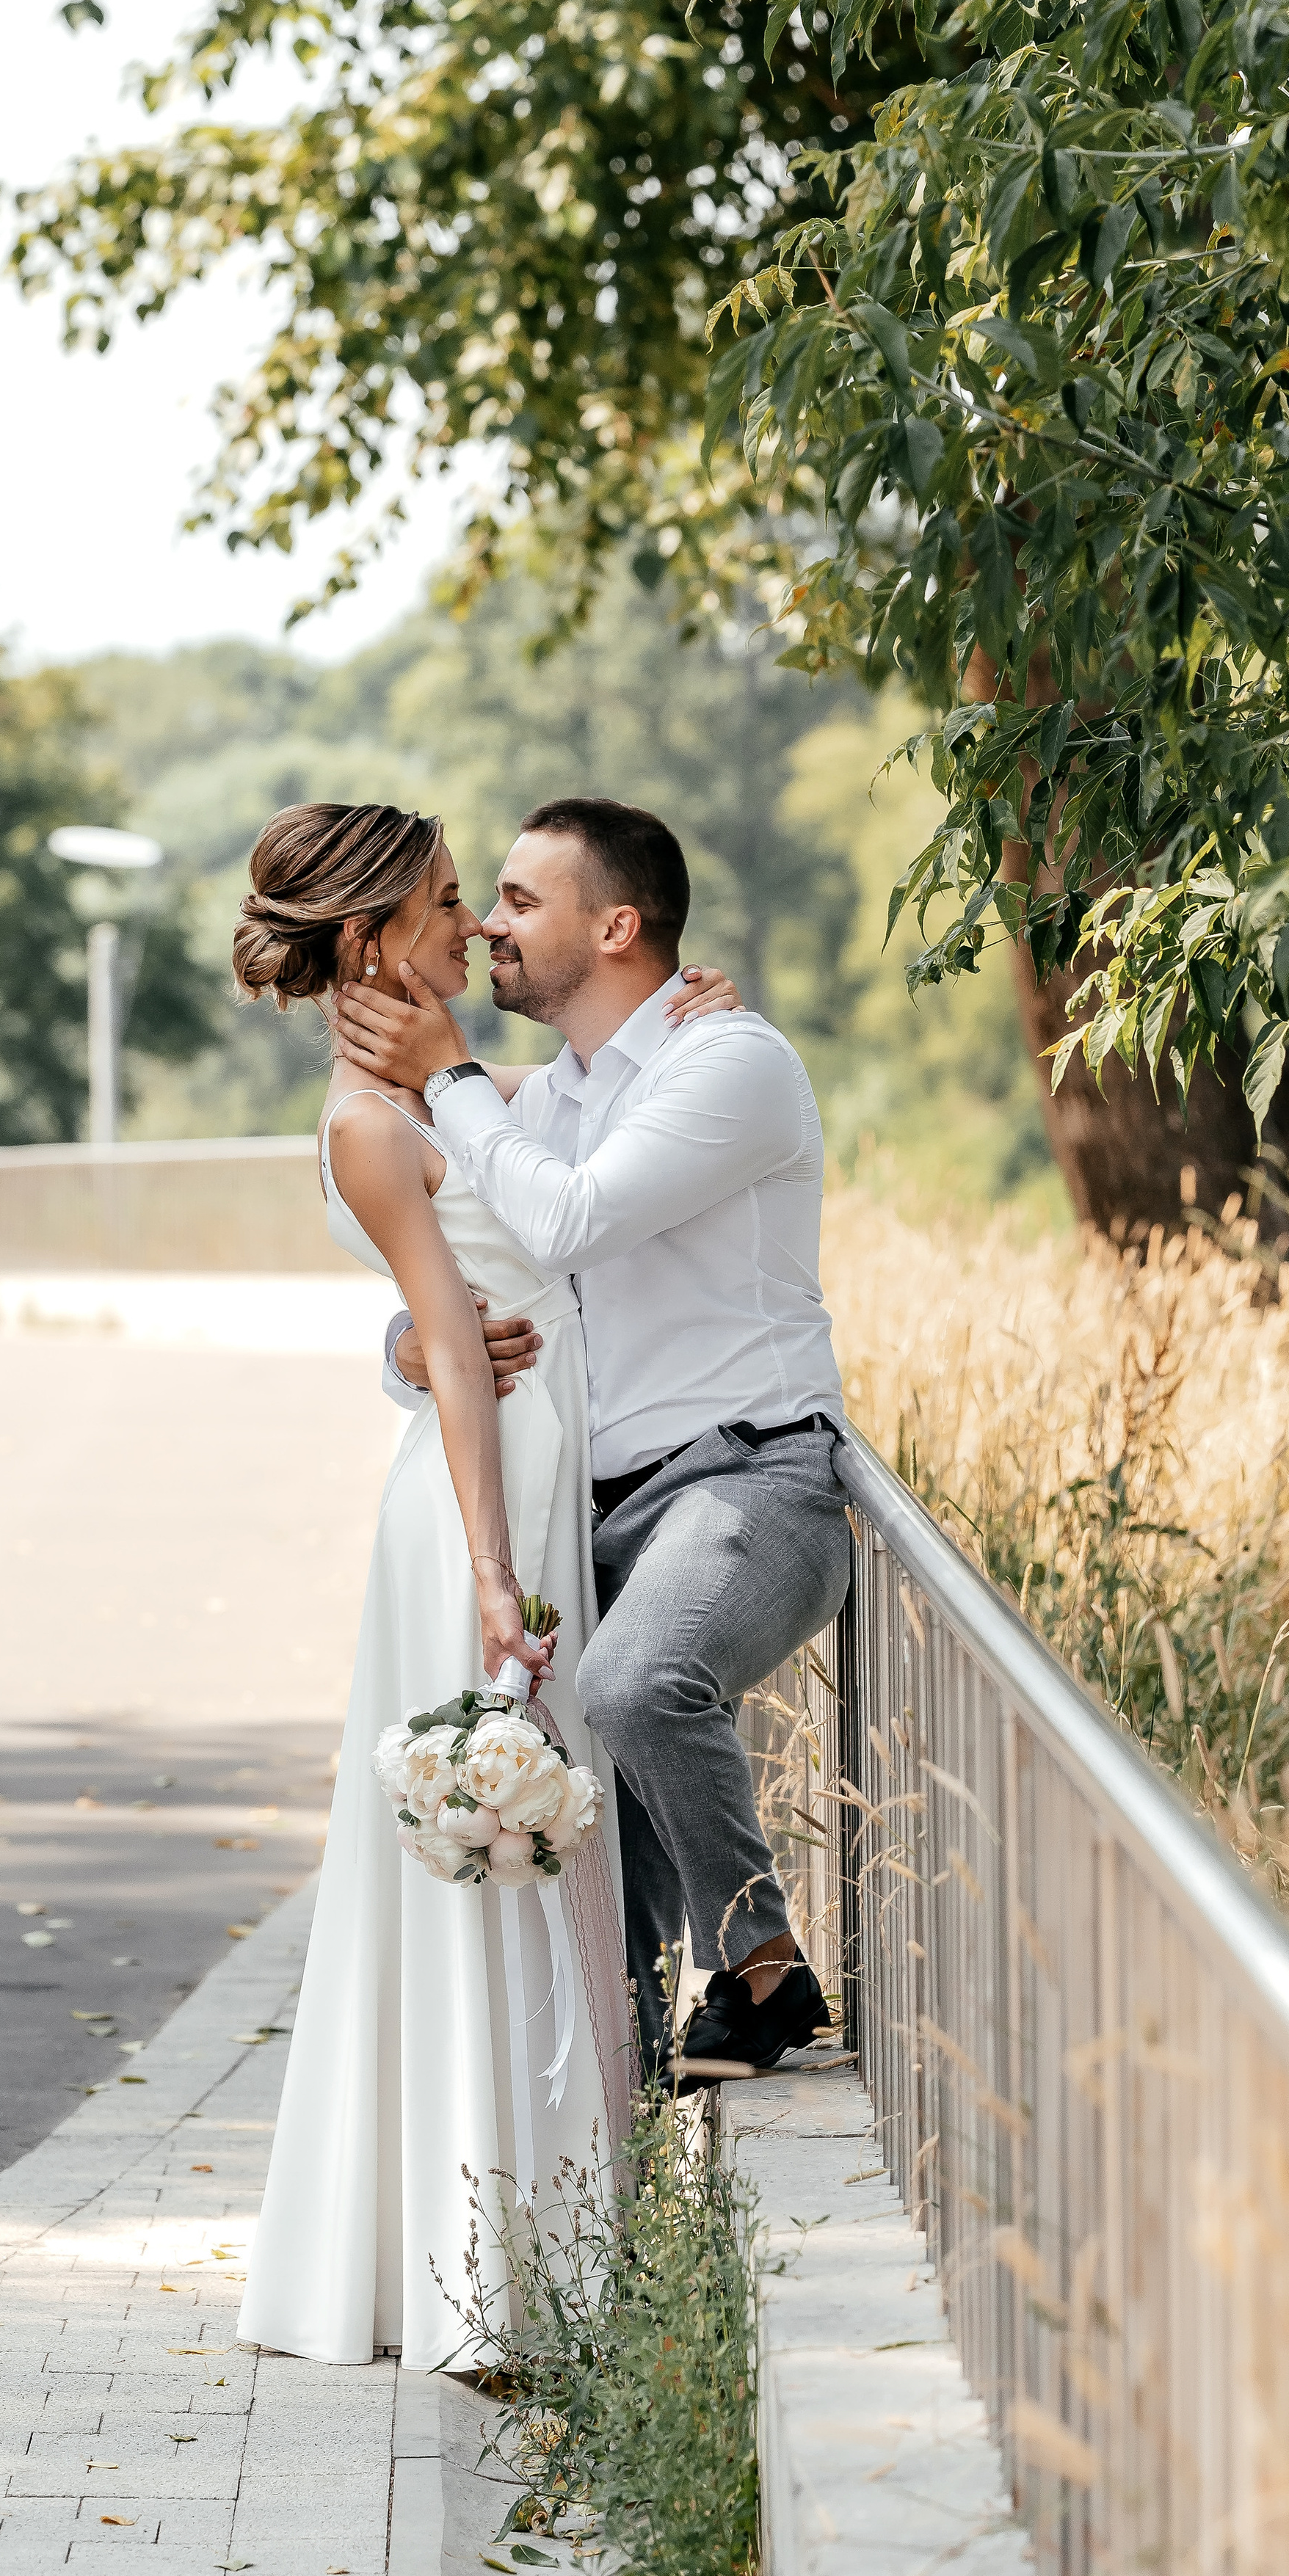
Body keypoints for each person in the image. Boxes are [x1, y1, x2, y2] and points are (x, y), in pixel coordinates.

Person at [232, 801, 741, 2371]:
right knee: (491, 1869)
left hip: (513, 1470)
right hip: (482, 1500)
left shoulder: (445, 1089)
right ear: (376, 933)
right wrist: (493, 1573)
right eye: (449, 904)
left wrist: (675, 1024)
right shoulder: (376, 1122)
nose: (470, 927)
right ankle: (493, 2272)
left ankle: (531, 2251)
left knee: (526, 1857)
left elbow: (564, 1119)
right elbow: (452, 1344)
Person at [335, 797, 852, 2091]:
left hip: (749, 1478)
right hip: (587, 1509)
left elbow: (562, 1224)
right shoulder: (554, 1096)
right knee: (586, 1896)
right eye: (482, 901)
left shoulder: (727, 1063)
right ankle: (595, 2208)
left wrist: (450, 1070)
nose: (487, 926)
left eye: (517, 902)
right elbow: (478, 1261)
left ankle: (764, 1964)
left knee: (634, 1686)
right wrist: (406, 1344)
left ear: (616, 926)